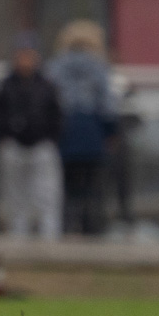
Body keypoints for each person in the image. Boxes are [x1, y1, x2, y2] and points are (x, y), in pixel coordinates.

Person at [0, 32, 62, 240]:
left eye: (29, 54)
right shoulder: (5, 85)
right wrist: (2, 137)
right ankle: (18, 241)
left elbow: (57, 115)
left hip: (41, 146)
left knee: (46, 197)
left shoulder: (47, 85)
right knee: (15, 200)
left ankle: (50, 242)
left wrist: (51, 138)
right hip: (13, 147)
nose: (25, 59)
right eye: (21, 54)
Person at [47, 19, 116, 236]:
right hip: (92, 131)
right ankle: (92, 230)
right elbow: (107, 104)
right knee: (92, 187)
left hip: (64, 131)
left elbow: (49, 102)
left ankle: (67, 228)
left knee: (66, 187)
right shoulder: (98, 67)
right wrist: (110, 131)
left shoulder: (55, 67)